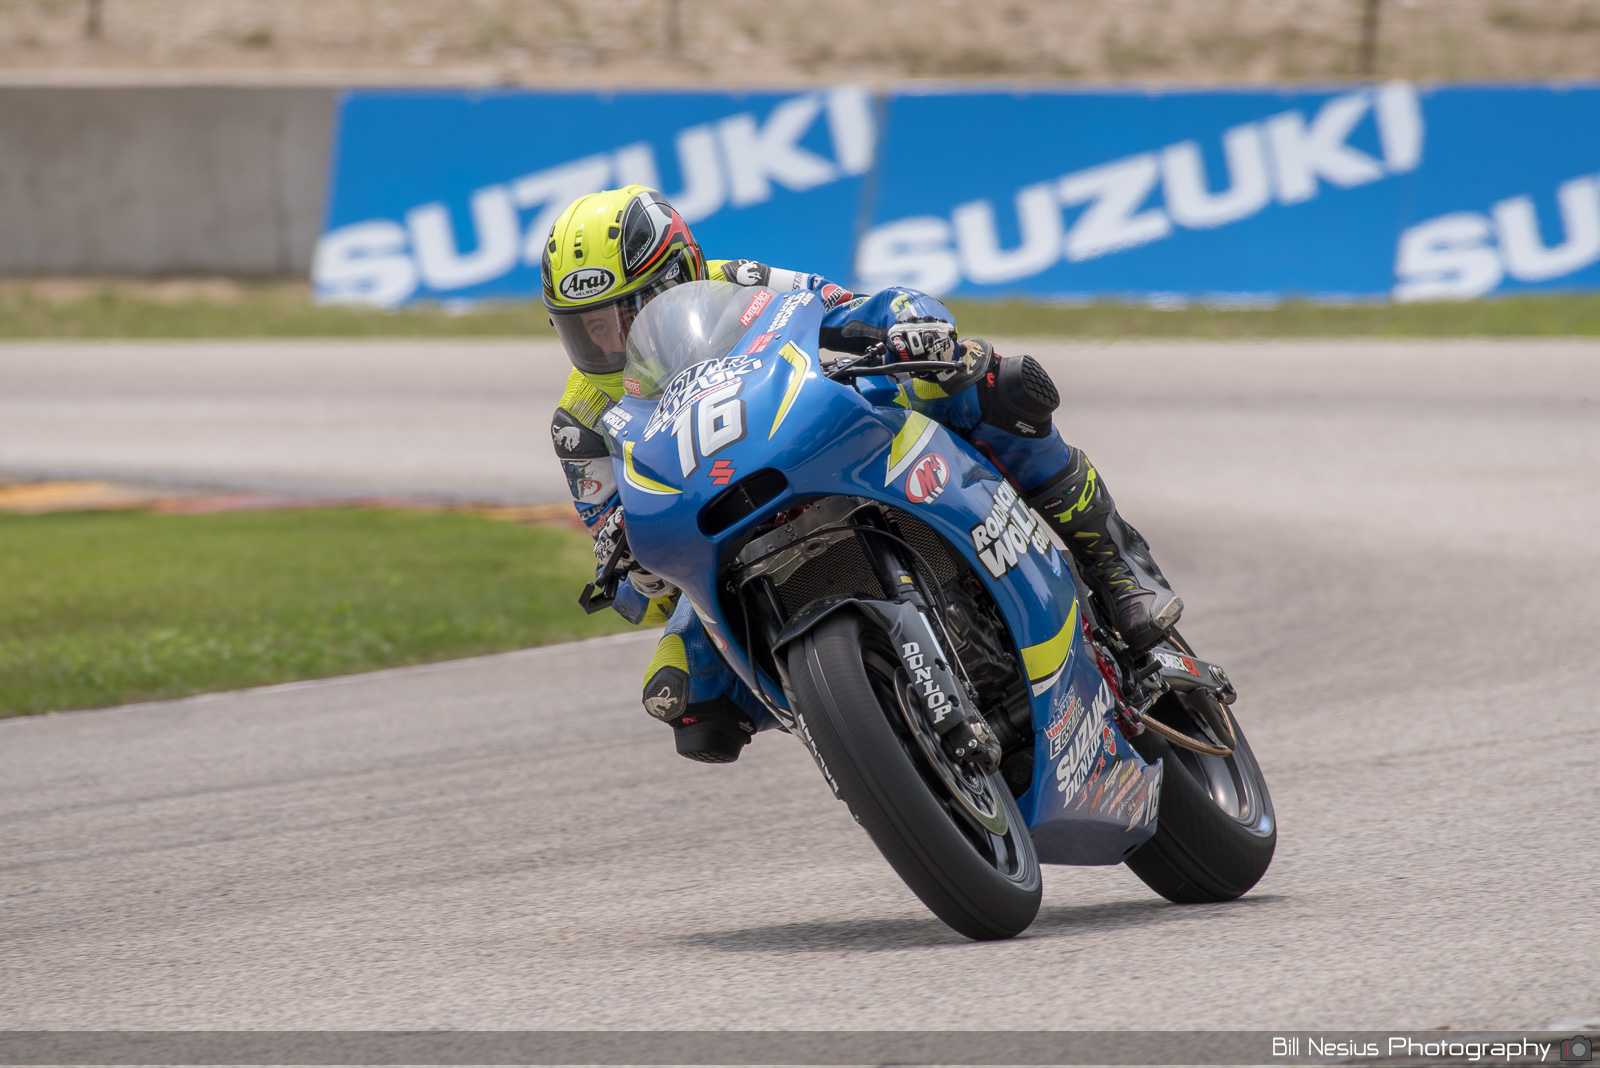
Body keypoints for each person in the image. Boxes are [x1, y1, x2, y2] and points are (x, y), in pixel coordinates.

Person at [545, 185, 1182, 764]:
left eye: (630, 314)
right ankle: (870, 728)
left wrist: (908, 324)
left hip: (807, 435)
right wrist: (629, 567)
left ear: (679, 276)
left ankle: (1119, 572)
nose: (614, 340)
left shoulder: (737, 282)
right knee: (681, 695)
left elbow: (846, 308)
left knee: (993, 382)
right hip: (719, 529)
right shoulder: (581, 422)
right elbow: (630, 569)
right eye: (590, 329)